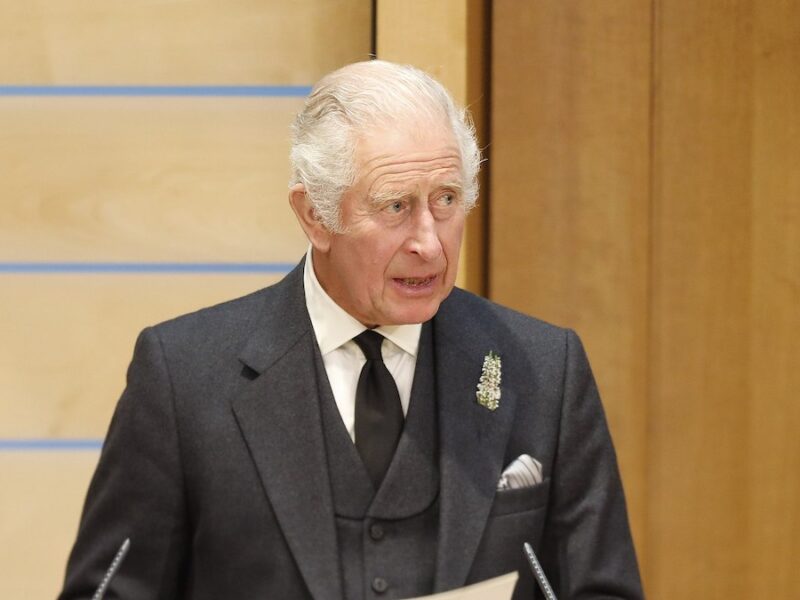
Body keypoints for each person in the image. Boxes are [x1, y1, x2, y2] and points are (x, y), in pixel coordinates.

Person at [59, 60, 643, 599]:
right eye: (394, 207)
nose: (430, 241)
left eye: (446, 200)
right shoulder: (183, 378)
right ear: (315, 214)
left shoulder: (542, 368)